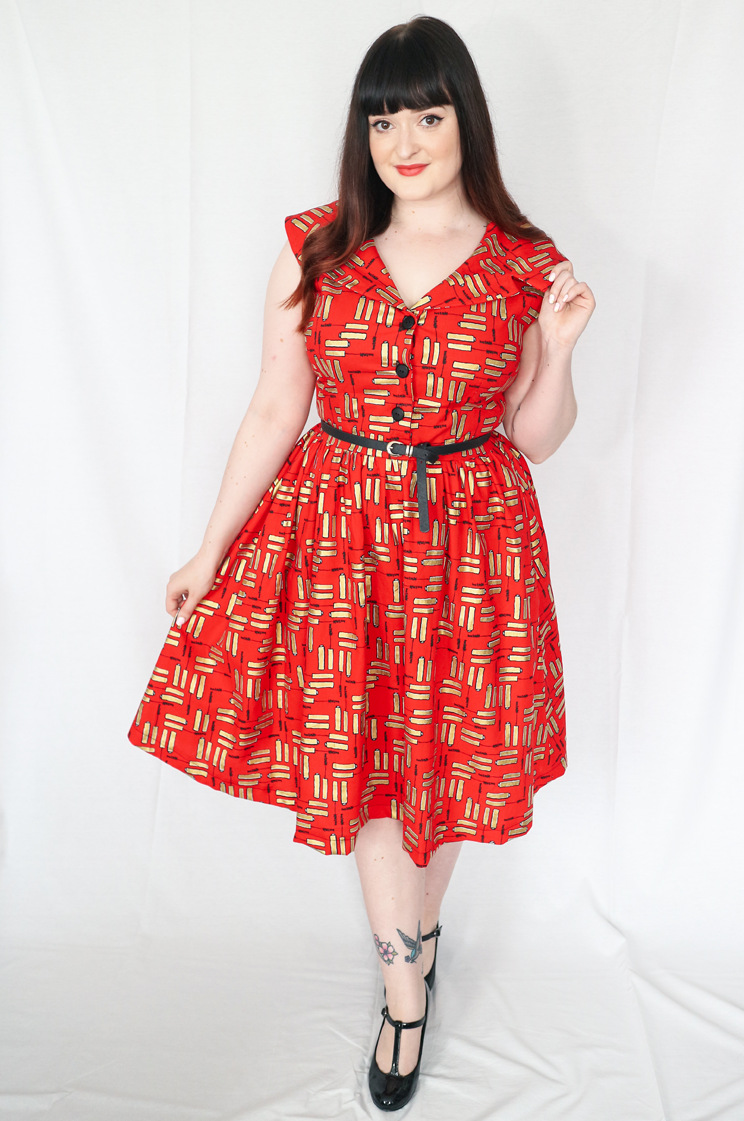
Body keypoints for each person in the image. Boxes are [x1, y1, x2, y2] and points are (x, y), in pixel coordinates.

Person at [128, 15, 594, 1112]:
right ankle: (403, 991)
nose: (405, 141)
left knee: (453, 761)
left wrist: (563, 351)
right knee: (375, 763)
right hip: (343, 541)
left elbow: (533, 436)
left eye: (427, 115)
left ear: (465, 119)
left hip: (475, 544)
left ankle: (414, 937)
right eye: (384, 120)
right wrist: (209, 546)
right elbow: (274, 407)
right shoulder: (320, 249)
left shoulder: (524, 263)